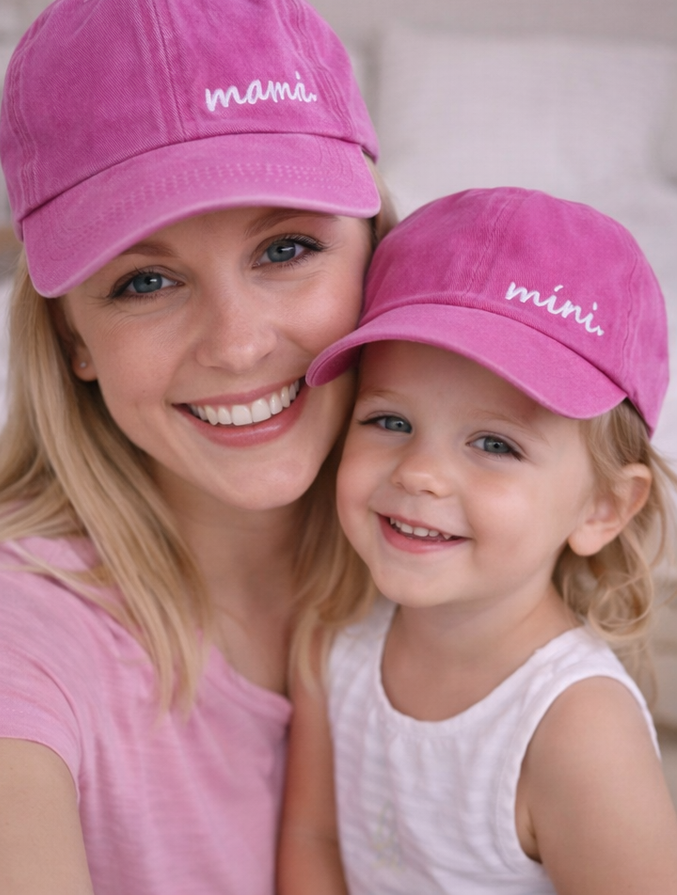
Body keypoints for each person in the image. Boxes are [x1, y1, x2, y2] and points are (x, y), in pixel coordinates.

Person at [0, 0, 397, 893]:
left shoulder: (475, 540)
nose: (237, 346)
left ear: (375, 248)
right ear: (72, 337)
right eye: (143, 282)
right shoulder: (8, 634)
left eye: (286, 249)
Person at [278, 187, 677, 894]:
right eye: (389, 420)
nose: (421, 472)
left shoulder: (575, 730)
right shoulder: (330, 638)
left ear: (602, 507)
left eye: (493, 443)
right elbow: (311, 837)